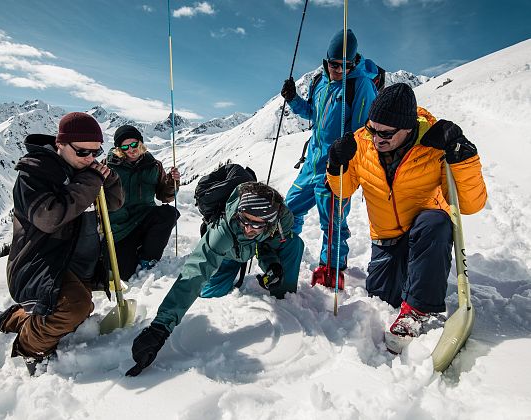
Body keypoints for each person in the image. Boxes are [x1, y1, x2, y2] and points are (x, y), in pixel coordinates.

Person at [325, 83, 487, 351]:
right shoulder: (361, 143)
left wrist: (463, 158)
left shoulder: (435, 145)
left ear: (408, 129)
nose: (377, 139)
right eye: (372, 129)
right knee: (383, 298)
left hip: (423, 232)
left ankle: (417, 310)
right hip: (385, 239)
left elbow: (470, 205)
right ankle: (415, 280)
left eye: (386, 134)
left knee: (436, 222)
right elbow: (342, 189)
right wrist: (335, 164)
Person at [0, 112, 124, 375]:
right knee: (74, 308)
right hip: (41, 262)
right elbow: (49, 217)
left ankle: (10, 319)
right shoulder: (34, 173)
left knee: (81, 307)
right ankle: (29, 347)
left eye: (96, 151)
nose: (91, 158)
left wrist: (109, 180)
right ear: (61, 144)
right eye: (82, 152)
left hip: (75, 261)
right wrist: (90, 181)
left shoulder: (82, 168)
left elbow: (113, 204)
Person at [125, 182, 305, 376]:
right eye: (245, 220)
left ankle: (284, 296)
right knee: (209, 290)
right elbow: (195, 273)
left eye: (256, 224)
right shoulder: (224, 230)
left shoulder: (281, 222)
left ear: (270, 222)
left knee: (294, 244)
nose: (248, 228)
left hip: (251, 248)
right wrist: (160, 328)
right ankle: (230, 268)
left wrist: (272, 266)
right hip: (228, 253)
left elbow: (269, 243)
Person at [280, 28, 379, 289]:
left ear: (354, 62)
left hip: (336, 167)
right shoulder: (320, 82)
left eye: (345, 65)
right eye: (334, 64)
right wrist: (293, 100)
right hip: (312, 162)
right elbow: (312, 113)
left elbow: (363, 132)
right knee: (289, 210)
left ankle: (332, 267)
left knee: (333, 221)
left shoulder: (361, 86)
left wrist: (345, 160)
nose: (339, 70)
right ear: (326, 61)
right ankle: (284, 250)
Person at [106, 125, 180, 281]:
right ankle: (134, 248)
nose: (131, 149)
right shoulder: (108, 167)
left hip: (145, 216)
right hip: (121, 226)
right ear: (119, 149)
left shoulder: (154, 165)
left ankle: (148, 257)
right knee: (125, 273)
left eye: (134, 144)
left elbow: (164, 197)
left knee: (169, 213)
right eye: (125, 146)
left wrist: (171, 183)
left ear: (140, 142)